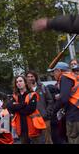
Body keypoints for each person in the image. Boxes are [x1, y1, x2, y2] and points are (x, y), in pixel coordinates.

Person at [33, 15, 79, 144]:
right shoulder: (75, 77)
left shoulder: (66, 77)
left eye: (54, 72)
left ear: (59, 71)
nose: (54, 75)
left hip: (74, 116)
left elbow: (64, 98)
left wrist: (52, 111)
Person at [7, 75, 46, 144]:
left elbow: (30, 109)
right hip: (21, 128)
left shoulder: (32, 94)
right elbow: (9, 107)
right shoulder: (14, 96)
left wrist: (17, 107)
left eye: (20, 81)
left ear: (25, 82)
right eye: (17, 82)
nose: (18, 83)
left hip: (33, 126)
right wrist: (23, 105)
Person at [26, 70, 54, 144]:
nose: (30, 78)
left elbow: (50, 101)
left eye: (32, 76)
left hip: (44, 119)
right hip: (32, 120)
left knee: (47, 140)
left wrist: (47, 113)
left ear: (35, 77)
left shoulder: (42, 87)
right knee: (36, 140)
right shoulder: (26, 90)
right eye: (28, 77)